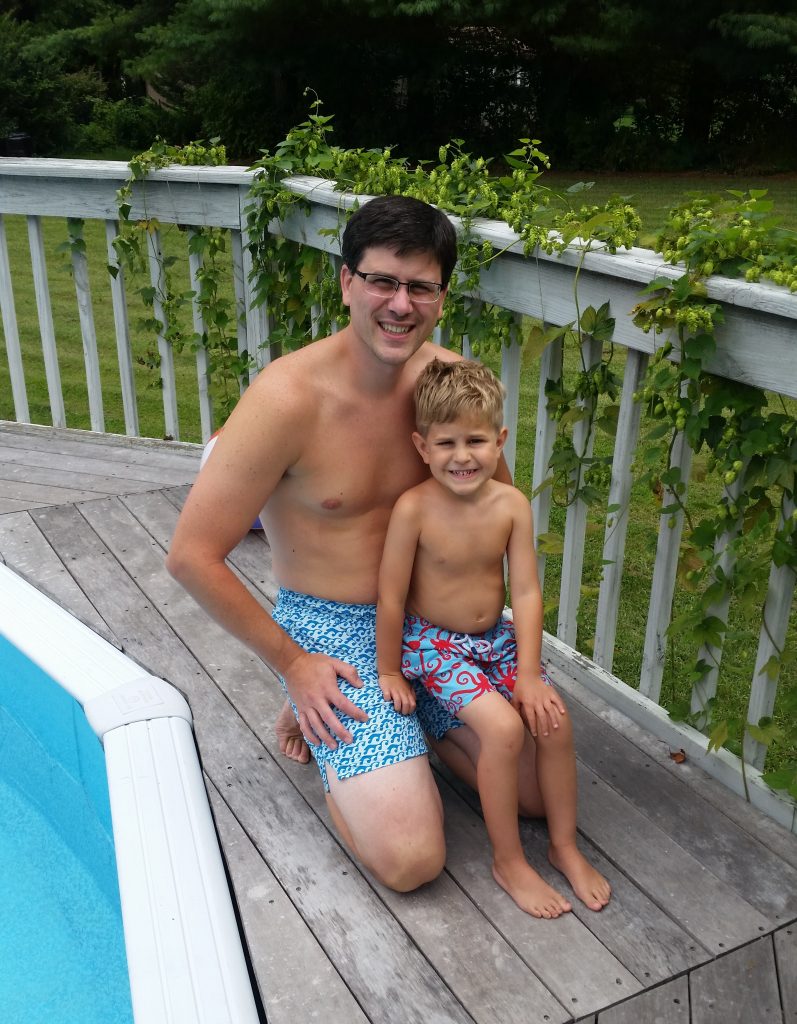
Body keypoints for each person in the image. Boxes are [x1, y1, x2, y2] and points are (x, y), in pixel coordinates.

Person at [376, 358, 611, 917]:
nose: (462, 456)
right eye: (447, 442)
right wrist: (388, 670)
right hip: (435, 645)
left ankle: (563, 847)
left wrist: (529, 675)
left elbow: (525, 593)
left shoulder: (512, 506)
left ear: (500, 440)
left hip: (496, 641)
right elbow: (390, 597)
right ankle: (508, 861)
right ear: (421, 445)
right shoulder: (414, 511)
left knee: (552, 719)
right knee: (503, 730)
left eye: (477, 440)